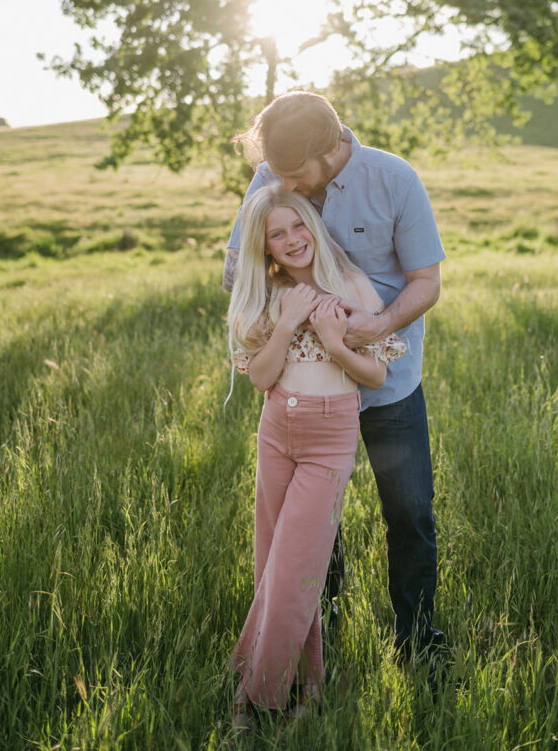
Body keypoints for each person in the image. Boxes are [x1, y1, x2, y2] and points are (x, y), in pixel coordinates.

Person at [224, 91, 446, 667]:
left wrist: (375, 324)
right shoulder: (272, 176)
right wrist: (283, 312)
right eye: (277, 174)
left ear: (331, 149)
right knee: (314, 523)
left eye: (295, 174)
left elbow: (426, 281)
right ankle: (318, 635)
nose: (286, 185)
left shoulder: (395, 179)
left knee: (410, 512)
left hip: (386, 382)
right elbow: (239, 270)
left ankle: (418, 642)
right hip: (307, 393)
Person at [228, 183, 406, 728]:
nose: (291, 240)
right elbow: (260, 378)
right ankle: (308, 689)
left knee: (298, 564)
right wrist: (286, 323)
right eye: (276, 235)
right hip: (277, 425)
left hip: (330, 434)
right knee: (273, 562)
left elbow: (377, 373)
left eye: (297, 225)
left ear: (312, 224)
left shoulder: (350, 284)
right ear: (265, 248)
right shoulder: (268, 293)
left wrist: (334, 342)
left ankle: (255, 698)